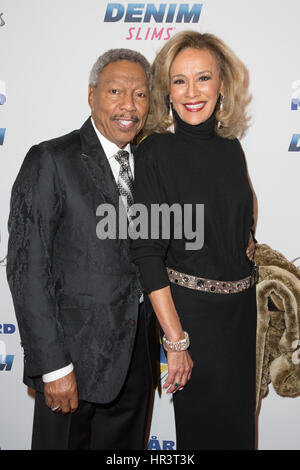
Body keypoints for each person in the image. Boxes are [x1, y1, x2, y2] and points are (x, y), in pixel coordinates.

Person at [6, 48, 159, 450]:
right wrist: (53, 365)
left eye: (140, 94)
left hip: (137, 367)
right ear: (91, 96)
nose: (129, 105)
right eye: (115, 91)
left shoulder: (152, 166)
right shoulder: (51, 160)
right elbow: (26, 270)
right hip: (72, 367)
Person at [131, 31, 258, 450]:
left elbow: (239, 205)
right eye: (179, 81)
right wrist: (177, 341)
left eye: (203, 78)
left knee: (239, 435)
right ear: (166, 91)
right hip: (192, 323)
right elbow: (147, 253)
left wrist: (245, 237)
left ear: (223, 85)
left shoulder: (231, 148)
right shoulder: (155, 153)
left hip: (240, 318)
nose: (192, 92)